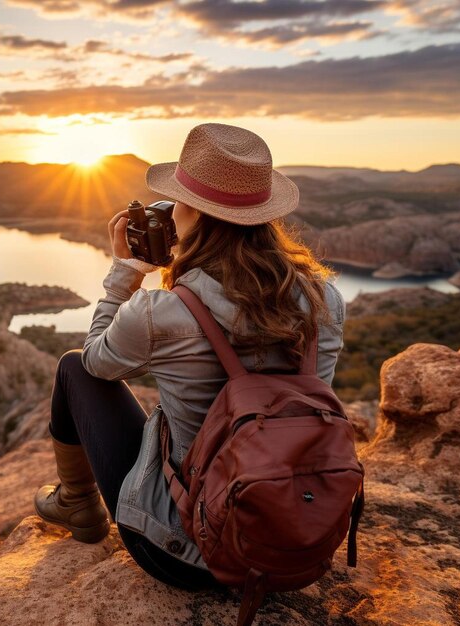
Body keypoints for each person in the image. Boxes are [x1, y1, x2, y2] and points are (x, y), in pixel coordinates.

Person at [33, 122, 346, 591]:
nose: (172, 211)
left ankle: (77, 501)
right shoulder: (325, 300)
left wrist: (127, 273)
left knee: (74, 365)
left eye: (177, 201)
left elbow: (99, 363)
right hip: (292, 544)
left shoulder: (164, 311)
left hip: (183, 552)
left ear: (194, 214)